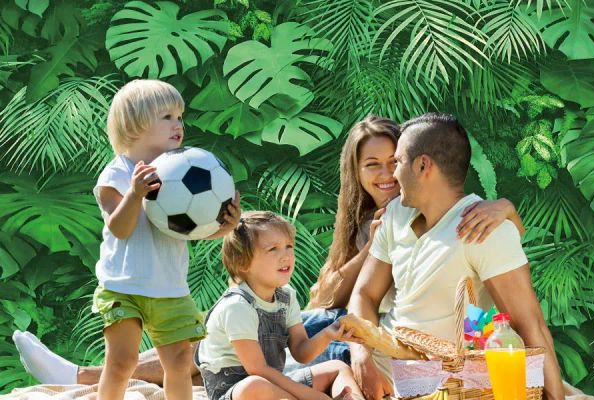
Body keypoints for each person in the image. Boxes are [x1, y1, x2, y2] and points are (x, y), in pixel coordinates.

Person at [12, 115, 523, 386]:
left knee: (230, 342)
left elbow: (490, 234)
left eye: (395, 161)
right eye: (372, 165)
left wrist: (504, 206)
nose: (386, 173)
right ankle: (87, 374)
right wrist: (364, 250)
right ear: (357, 173)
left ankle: (82, 375)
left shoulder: (431, 212)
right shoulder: (370, 222)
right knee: (230, 332)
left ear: (418, 163)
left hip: (378, 340)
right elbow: (325, 291)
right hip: (333, 323)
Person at [346, 112, 564, 400]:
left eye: (397, 162)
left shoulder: (484, 228)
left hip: (438, 385)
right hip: (371, 363)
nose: (393, 174)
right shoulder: (396, 214)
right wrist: (362, 359)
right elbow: (363, 294)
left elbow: (529, 323)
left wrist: (557, 397)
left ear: (423, 165)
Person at [76, 79, 241, 400]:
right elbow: (120, 229)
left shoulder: (183, 169)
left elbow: (195, 229)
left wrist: (227, 226)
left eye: (179, 116)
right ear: (133, 124)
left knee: (179, 361)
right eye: (166, 116)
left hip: (169, 288)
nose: (178, 124)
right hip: (123, 287)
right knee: (123, 360)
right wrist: (136, 193)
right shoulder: (118, 174)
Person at [198, 210, 363, 400]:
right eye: (273, 249)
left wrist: (329, 333)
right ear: (243, 262)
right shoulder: (237, 306)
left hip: (274, 385)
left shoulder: (286, 297)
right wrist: (313, 397)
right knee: (255, 386)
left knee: (338, 368)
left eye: (288, 246)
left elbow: (301, 352)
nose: (286, 255)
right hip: (238, 392)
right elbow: (258, 370)